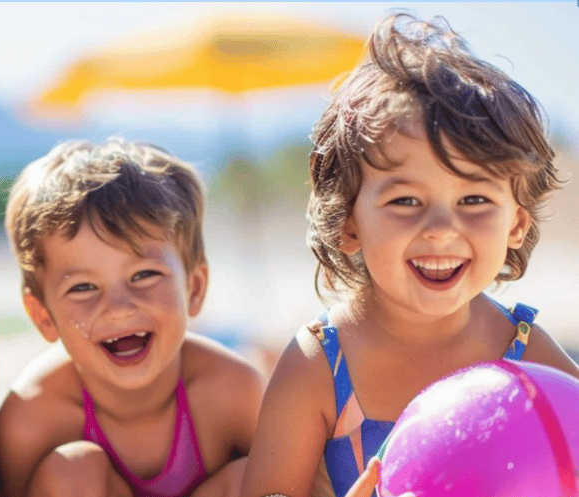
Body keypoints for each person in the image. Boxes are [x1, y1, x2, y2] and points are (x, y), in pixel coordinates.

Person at [239, 13, 579, 497]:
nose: (441, 230)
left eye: (474, 201)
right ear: (348, 222)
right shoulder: (320, 364)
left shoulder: (527, 355)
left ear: (516, 225)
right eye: (405, 201)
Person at [0, 138, 265, 497]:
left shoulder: (234, 391)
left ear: (194, 289)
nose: (119, 307)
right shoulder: (31, 421)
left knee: (256, 475)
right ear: (43, 317)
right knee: (72, 471)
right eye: (83, 287)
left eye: (144, 275)